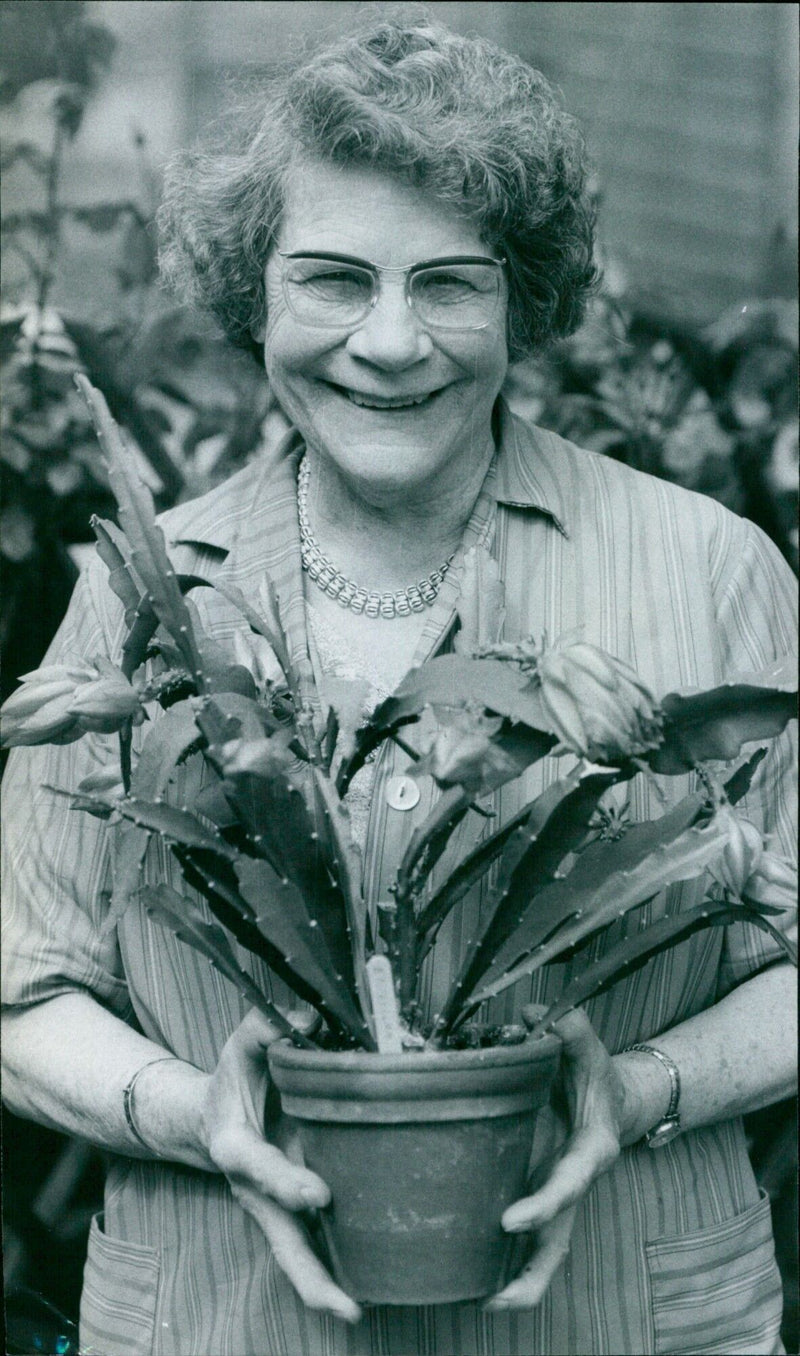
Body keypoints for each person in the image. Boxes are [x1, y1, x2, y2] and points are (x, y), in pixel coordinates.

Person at [1, 16, 796, 1356]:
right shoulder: (150, 592)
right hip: (222, 1315)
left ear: (525, 300)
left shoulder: (710, 567)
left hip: (623, 1317)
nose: (387, 343)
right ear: (255, 291)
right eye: (330, 281)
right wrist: (202, 1116)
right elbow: (19, 992)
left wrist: (642, 1090)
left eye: (448, 285)